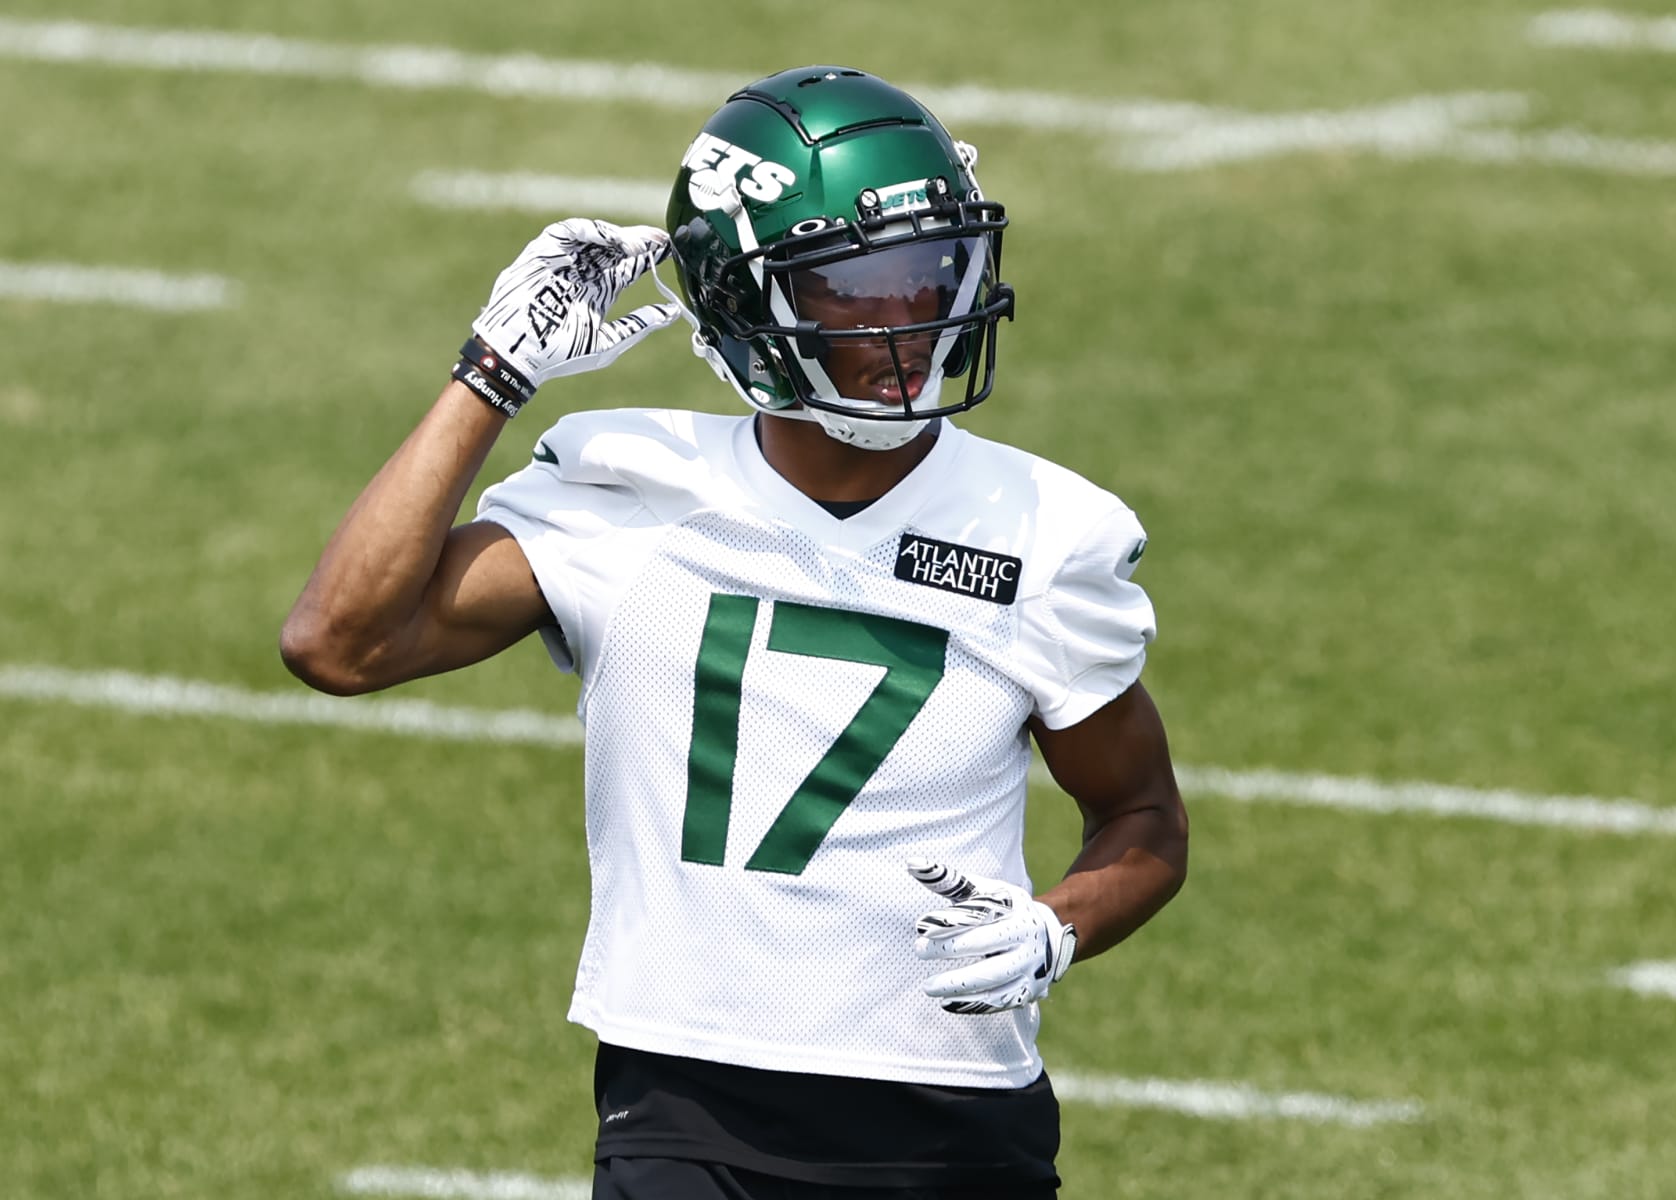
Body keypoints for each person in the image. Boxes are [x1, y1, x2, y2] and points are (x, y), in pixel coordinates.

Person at [281, 64, 1187, 1200]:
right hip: (682, 1111)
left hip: (952, 1126)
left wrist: (1056, 927)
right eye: (854, 285)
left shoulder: (1049, 531)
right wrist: (491, 377)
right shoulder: (631, 487)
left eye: (930, 268)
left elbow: (1143, 818)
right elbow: (341, 642)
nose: (912, 314)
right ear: (743, 305)